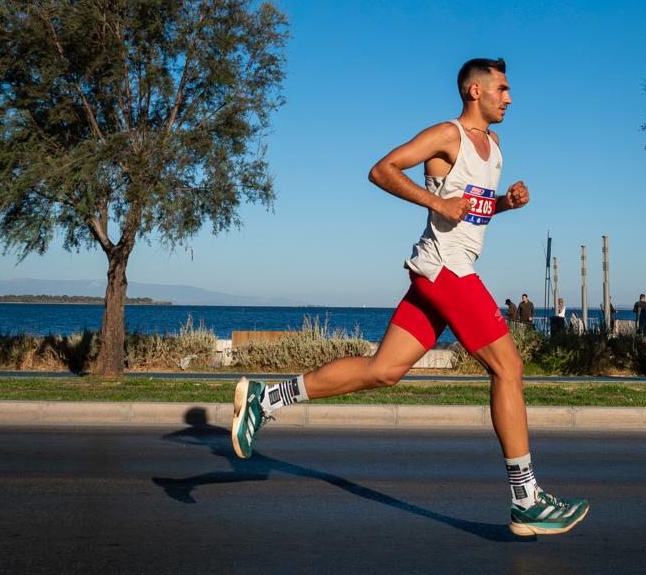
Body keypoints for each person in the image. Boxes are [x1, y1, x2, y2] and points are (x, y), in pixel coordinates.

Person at [229, 58, 588, 537]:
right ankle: (526, 500)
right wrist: (436, 202)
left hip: (440, 274)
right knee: (509, 368)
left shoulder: (495, 149)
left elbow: (471, 212)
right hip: (447, 272)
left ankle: (265, 399)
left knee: (384, 370)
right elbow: (382, 170)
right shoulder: (447, 135)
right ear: (474, 91)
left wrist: (506, 204)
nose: (510, 97)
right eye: (502, 88)